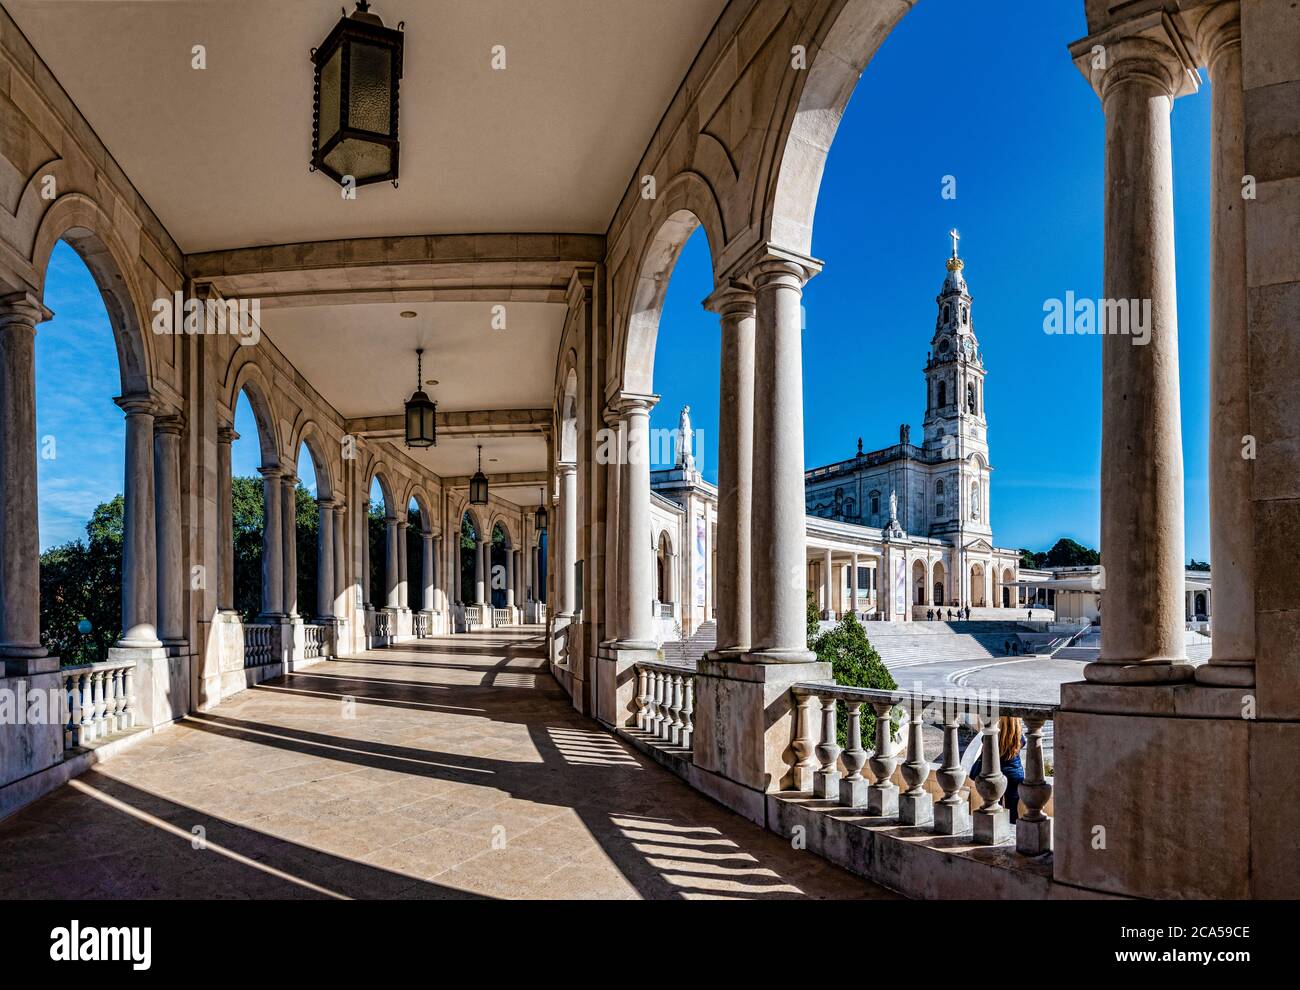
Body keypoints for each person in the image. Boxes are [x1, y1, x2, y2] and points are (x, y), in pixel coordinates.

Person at [971, 716, 1025, 824]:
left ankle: (997, 830)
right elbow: (1022, 744)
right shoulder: (1018, 736)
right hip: (1014, 774)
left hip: (995, 773)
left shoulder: (992, 735)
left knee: (994, 806)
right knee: (1012, 809)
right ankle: (1011, 833)